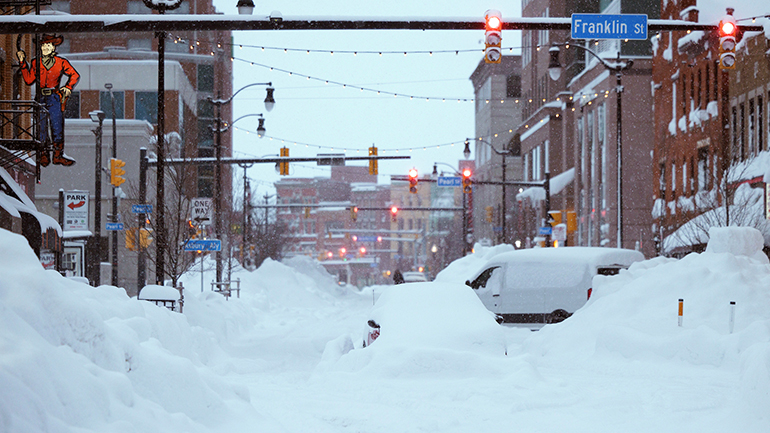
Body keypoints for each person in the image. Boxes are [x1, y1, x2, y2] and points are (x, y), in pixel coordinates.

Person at [17, 34, 80, 167]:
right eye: (43, 45)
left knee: (56, 125)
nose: (45, 47)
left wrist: (68, 87)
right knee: (41, 126)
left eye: (48, 45)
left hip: (54, 96)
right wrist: (22, 63)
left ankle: (58, 155)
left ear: (53, 47)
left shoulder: (61, 62)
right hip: (40, 97)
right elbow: (28, 79)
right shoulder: (36, 62)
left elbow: (74, 75)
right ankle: (44, 154)